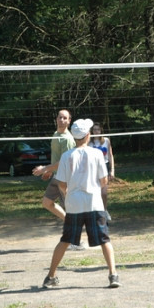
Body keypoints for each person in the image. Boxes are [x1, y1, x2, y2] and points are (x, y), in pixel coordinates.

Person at [42, 118, 121, 289]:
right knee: (104, 239)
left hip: (74, 204)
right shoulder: (97, 154)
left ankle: (50, 277)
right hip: (94, 203)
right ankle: (113, 275)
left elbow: (61, 183)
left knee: (65, 240)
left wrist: (68, 193)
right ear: (87, 135)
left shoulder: (66, 156)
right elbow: (104, 180)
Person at [32, 109, 83, 250]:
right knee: (47, 203)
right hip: (57, 176)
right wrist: (50, 171)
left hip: (66, 178)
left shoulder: (67, 139)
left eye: (65, 118)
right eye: (60, 117)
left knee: (70, 208)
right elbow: (56, 159)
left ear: (69, 121)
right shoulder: (56, 134)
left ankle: (76, 241)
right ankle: (72, 226)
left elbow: (64, 162)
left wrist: (45, 168)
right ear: (56, 119)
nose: (62, 120)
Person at [88, 122, 115, 217]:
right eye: (94, 129)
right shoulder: (88, 142)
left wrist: (112, 170)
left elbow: (110, 155)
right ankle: (95, 212)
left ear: (101, 130)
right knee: (94, 192)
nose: (96, 131)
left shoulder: (106, 141)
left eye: (98, 129)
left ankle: (104, 211)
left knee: (104, 193)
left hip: (104, 166)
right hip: (93, 168)